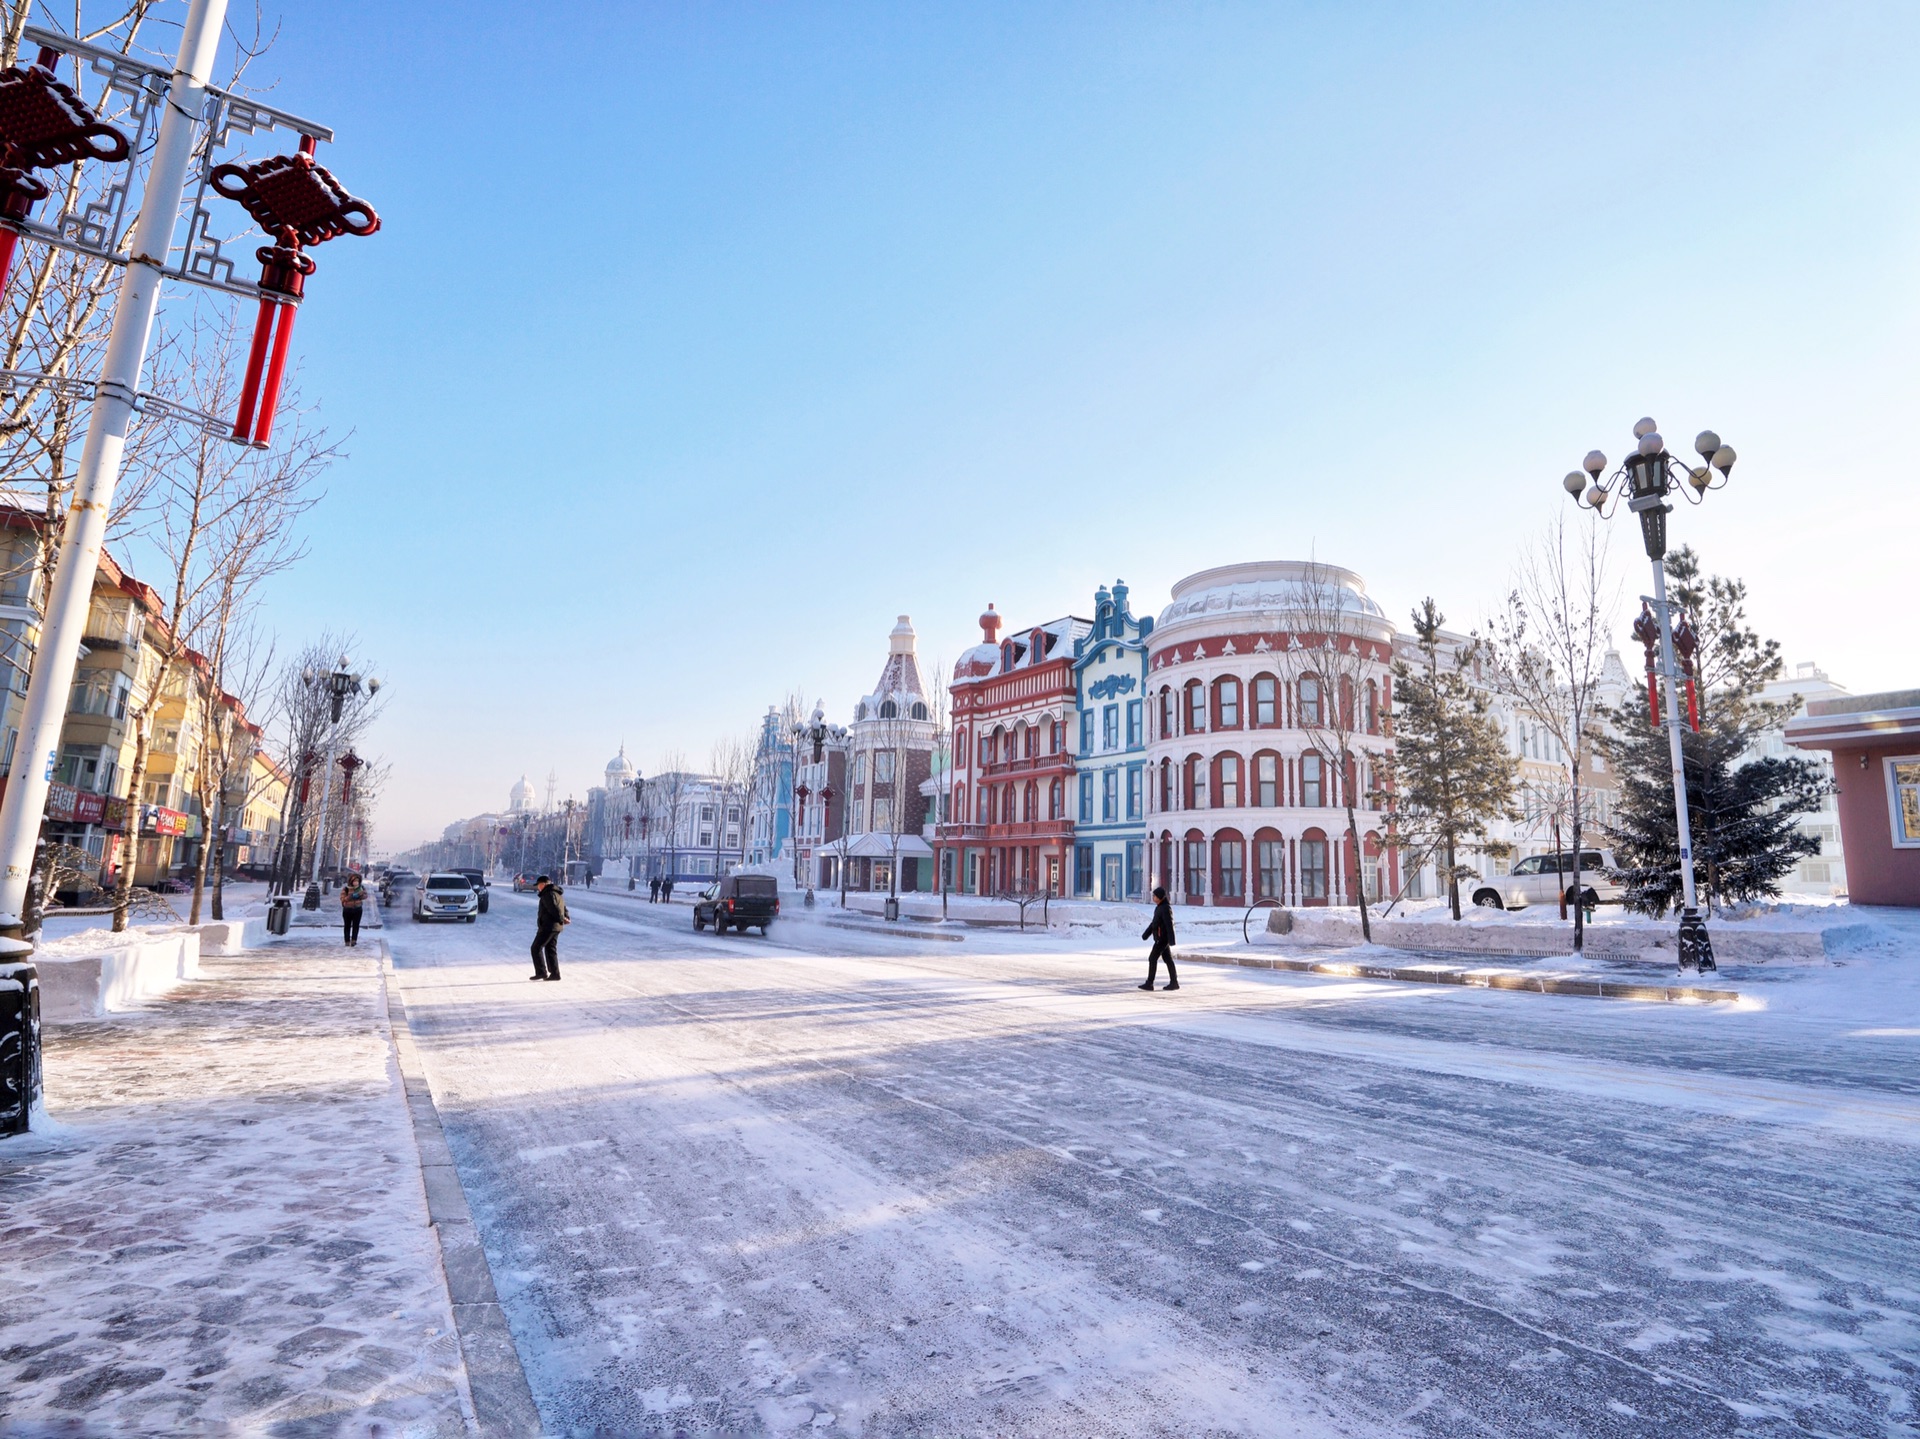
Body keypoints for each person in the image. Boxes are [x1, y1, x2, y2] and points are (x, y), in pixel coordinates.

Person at [1139, 885, 1179, 991]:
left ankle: (1149, 983)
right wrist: (1146, 934)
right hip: (1160, 938)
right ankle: (1174, 982)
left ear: (1160, 897)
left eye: (1155, 896)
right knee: (1168, 960)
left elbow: (1169, 924)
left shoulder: (1165, 908)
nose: (1153, 898)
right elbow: (1154, 923)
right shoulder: (1159, 908)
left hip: (1162, 939)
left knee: (1152, 958)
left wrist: (1171, 940)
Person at [530, 875, 569, 981]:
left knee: (536, 948)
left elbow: (554, 909)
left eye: (538, 885)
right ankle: (555, 974)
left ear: (543, 884)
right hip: (556, 926)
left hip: (549, 926)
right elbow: (563, 907)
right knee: (550, 949)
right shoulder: (557, 893)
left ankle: (541, 972)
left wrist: (561, 919)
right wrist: (565, 917)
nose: (538, 887)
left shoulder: (548, 894)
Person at [340, 873, 367, 947]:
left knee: (356, 925)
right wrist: (351, 896)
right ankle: (347, 940)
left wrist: (360, 895)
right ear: (351, 881)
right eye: (354, 881)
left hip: (358, 909)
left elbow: (365, 896)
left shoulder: (361, 888)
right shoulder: (346, 889)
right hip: (347, 910)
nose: (356, 882)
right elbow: (343, 898)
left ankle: (354, 940)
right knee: (347, 926)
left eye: (357, 881)